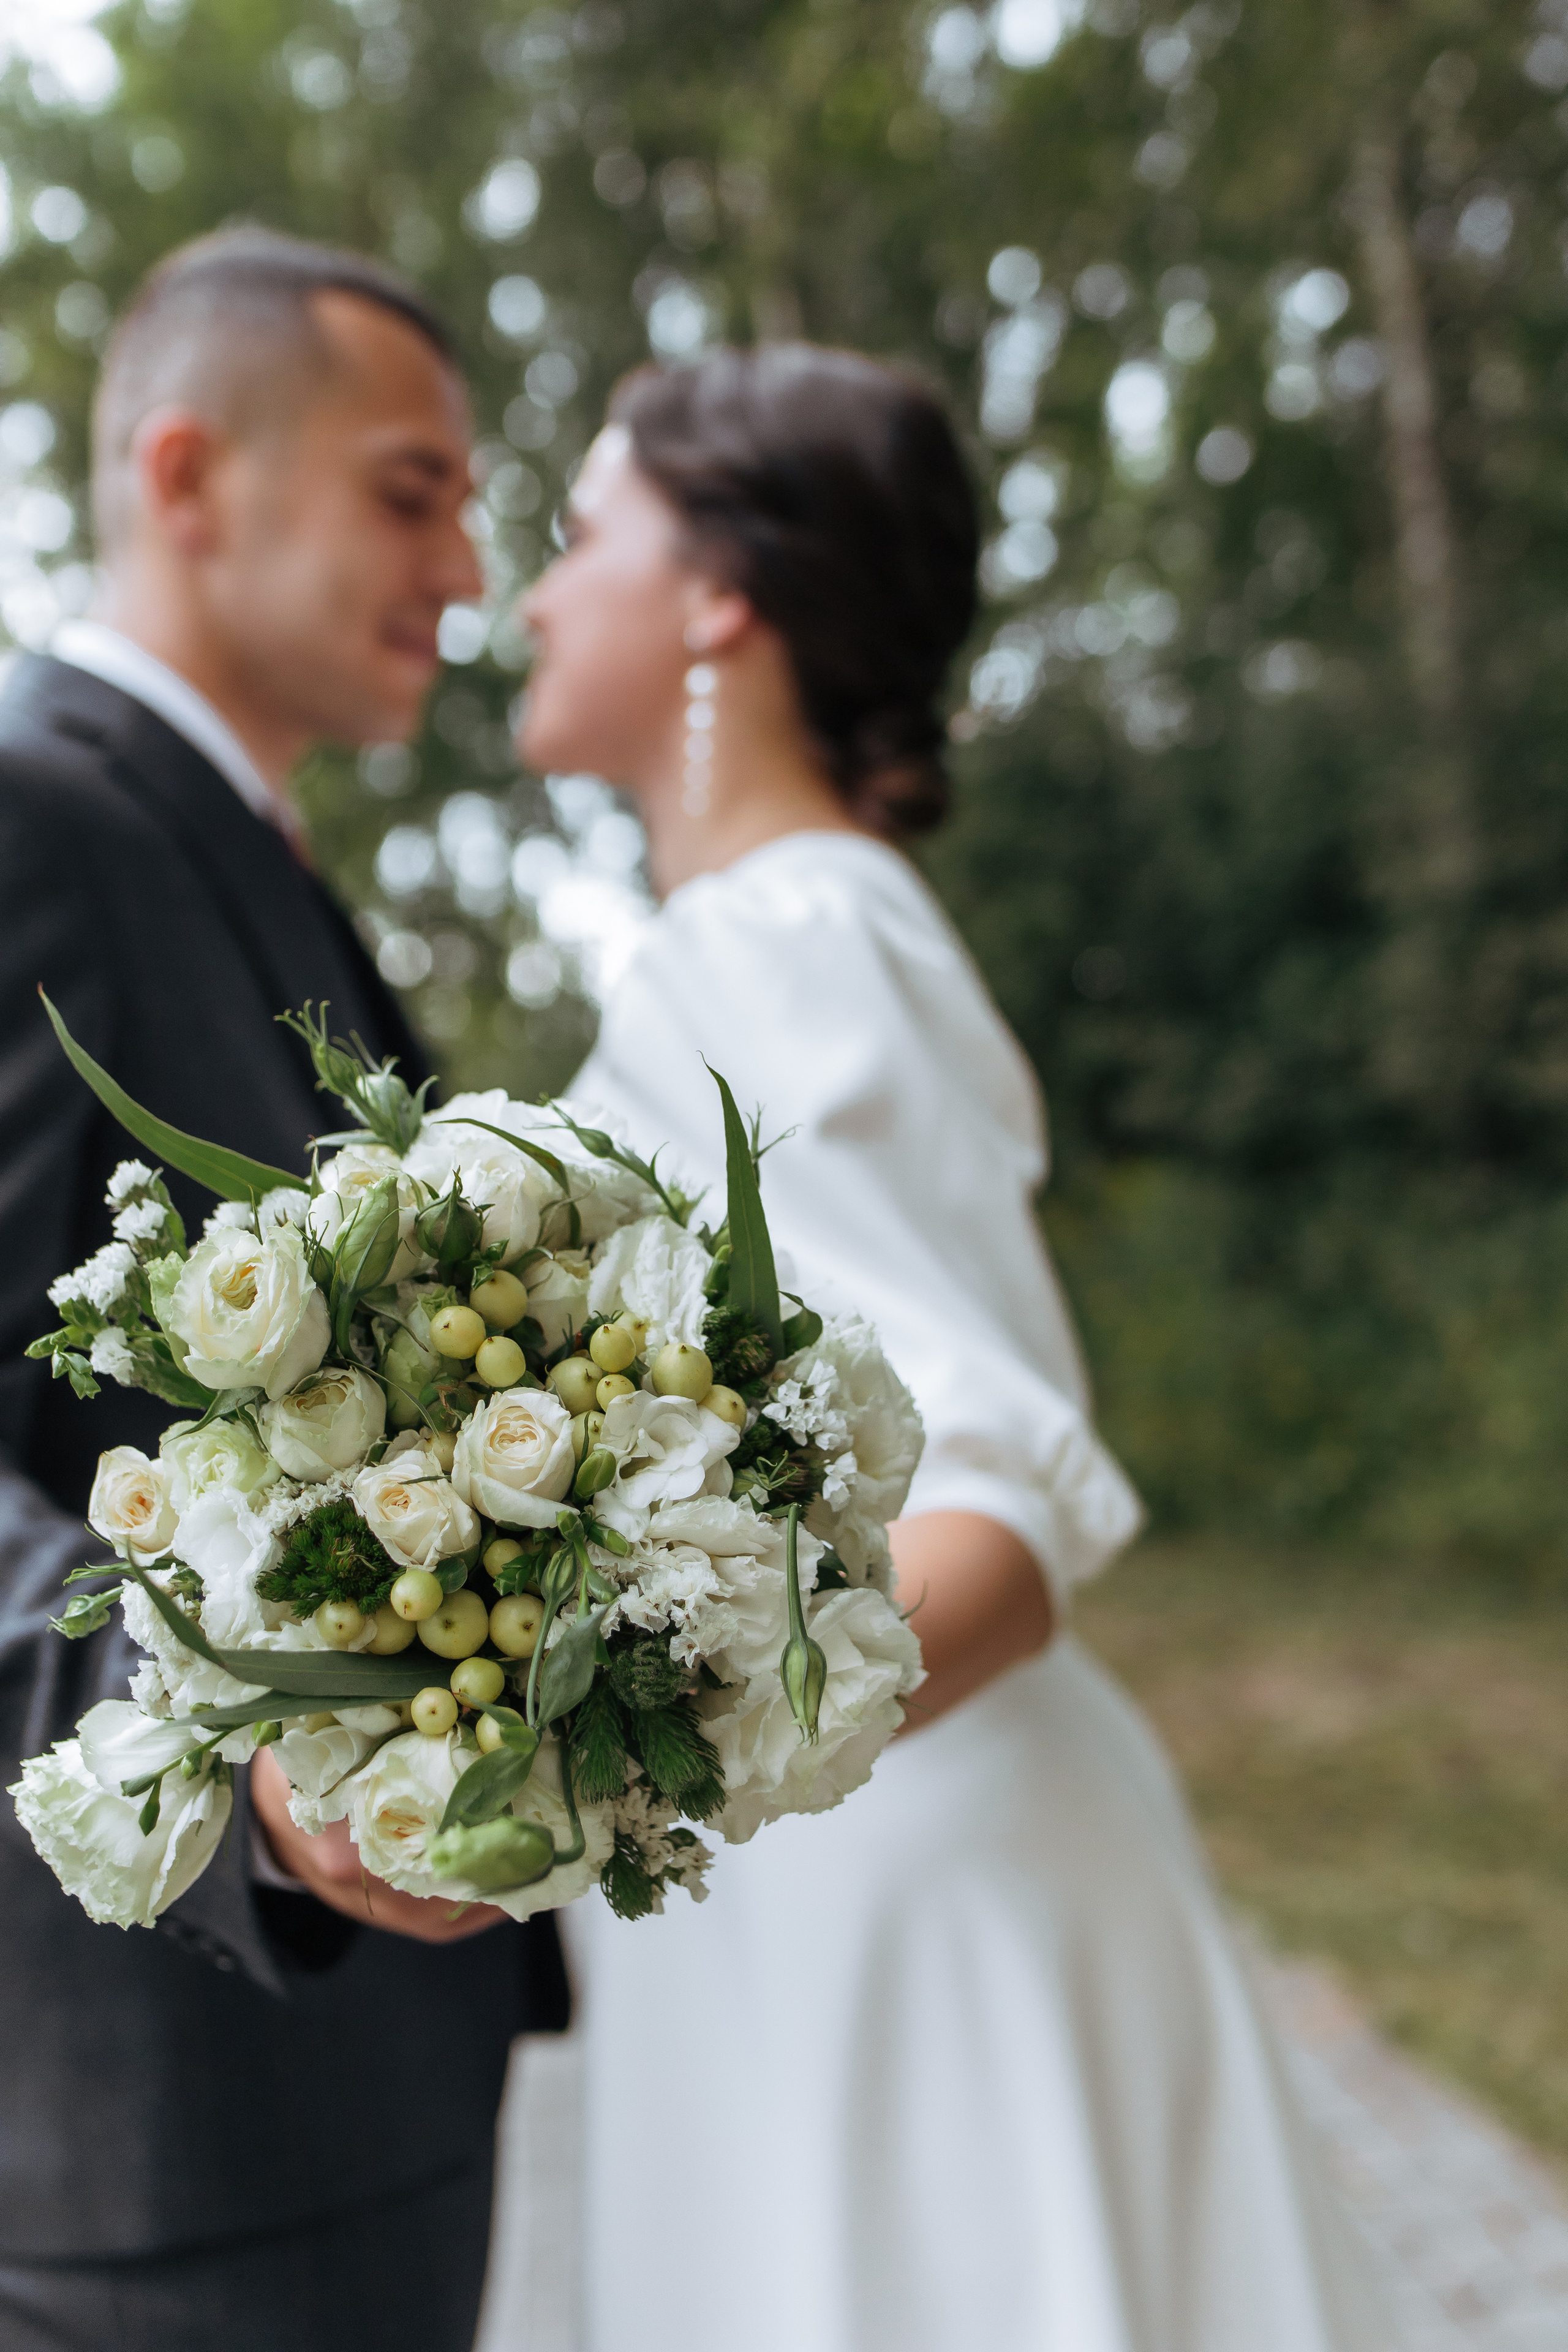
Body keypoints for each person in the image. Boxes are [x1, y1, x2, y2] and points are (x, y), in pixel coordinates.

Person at [513, 345, 1387, 2351]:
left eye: (583, 537)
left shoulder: (782, 941)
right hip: (823, 1879)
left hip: (882, 1907)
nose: (541, 595)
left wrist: (579, 1759)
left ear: (719, 588)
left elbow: (988, 1516)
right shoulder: (804, 928)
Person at [0, 228, 563, 2352]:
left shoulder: (258, 867)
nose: (466, 569)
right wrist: (233, 1774)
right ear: (187, 475)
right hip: (169, 2151)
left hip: (359, 2096)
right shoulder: (31, 819)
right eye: (412, 493)